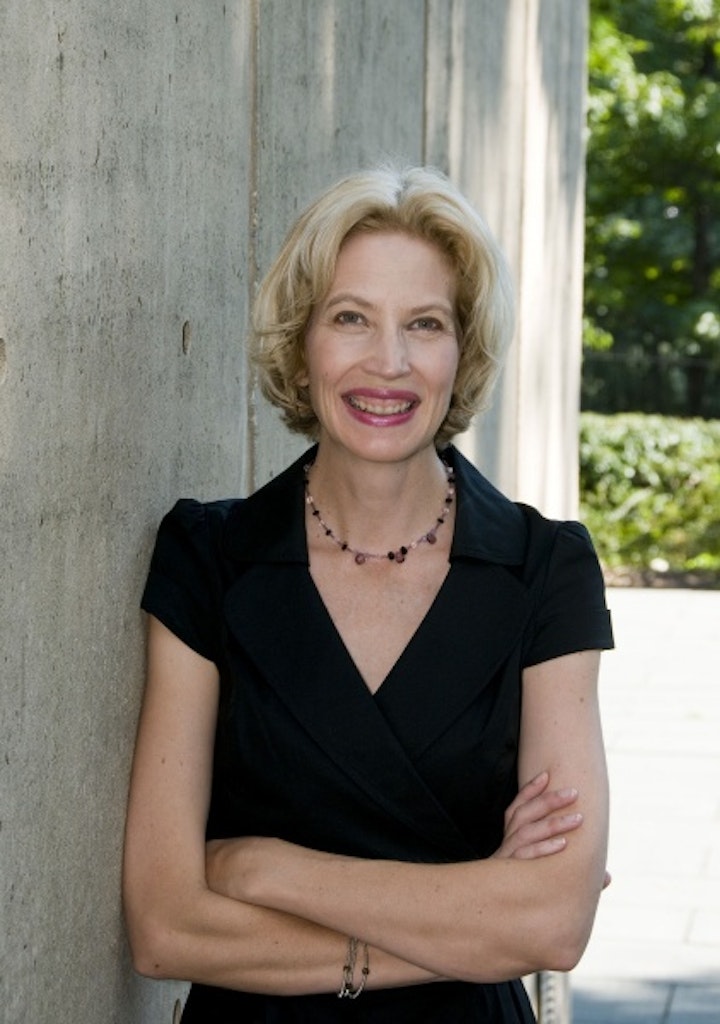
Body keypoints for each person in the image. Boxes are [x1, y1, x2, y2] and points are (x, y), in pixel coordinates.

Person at [123, 165, 614, 1023]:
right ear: (301, 340)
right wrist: (473, 919)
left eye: (425, 324)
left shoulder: (546, 569)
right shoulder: (209, 558)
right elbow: (165, 928)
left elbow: (553, 923)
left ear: (462, 351)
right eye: (350, 318)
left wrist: (261, 869)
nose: (388, 363)